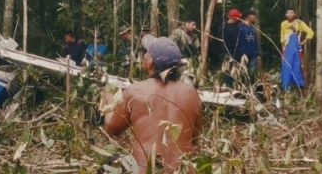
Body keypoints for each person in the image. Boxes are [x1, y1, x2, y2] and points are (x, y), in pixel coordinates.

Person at [101, 37, 202, 173]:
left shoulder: (134, 91)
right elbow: (195, 140)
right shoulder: (192, 94)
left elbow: (112, 129)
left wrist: (108, 100)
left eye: (146, 52)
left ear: (149, 62)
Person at [233, 10, 261, 83]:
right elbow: (236, 41)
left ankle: (252, 88)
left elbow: (255, 42)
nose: (255, 18)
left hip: (253, 54)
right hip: (243, 54)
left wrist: (258, 53)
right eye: (254, 16)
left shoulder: (253, 28)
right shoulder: (240, 27)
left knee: (252, 72)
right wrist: (238, 53)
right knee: (243, 72)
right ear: (249, 16)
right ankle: (243, 89)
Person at [220, 9, 242, 87]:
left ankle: (233, 86)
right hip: (227, 52)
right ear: (234, 18)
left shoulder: (237, 27)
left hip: (235, 52)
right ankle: (226, 86)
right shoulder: (224, 27)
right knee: (227, 70)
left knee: (235, 71)